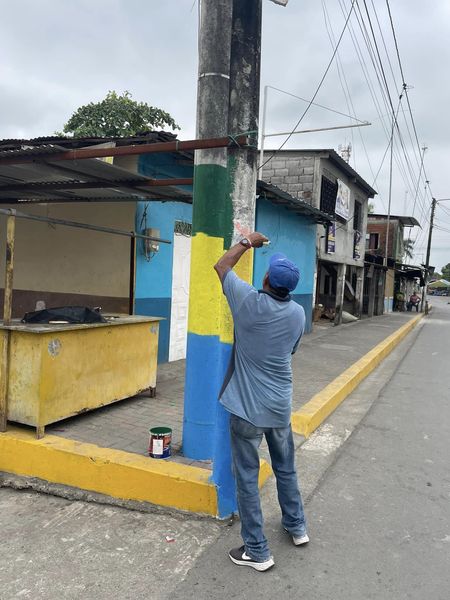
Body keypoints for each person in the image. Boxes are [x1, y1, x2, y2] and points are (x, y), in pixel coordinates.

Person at [214, 231, 308, 572]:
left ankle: (257, 550)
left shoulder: (247, 302)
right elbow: (291, 350)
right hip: (280, 406)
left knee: (247, 479)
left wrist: (246, 241)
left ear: (266, 279)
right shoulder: (298, 314)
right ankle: (297, 527)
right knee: (286, 468)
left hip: (247, 410)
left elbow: (221, 265)